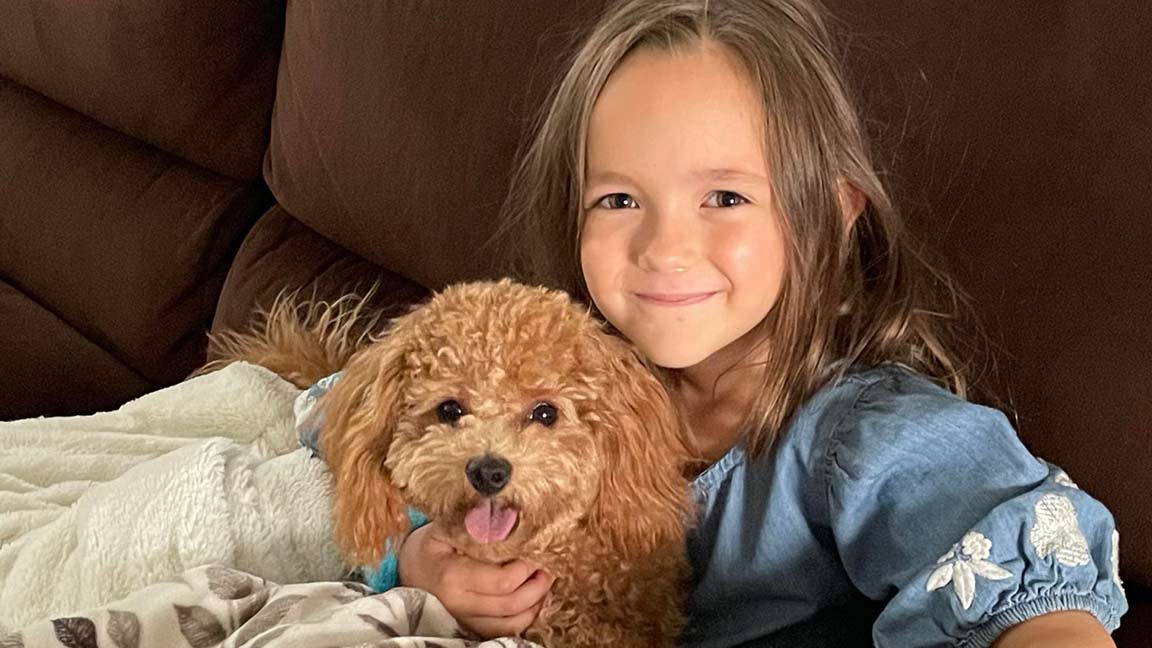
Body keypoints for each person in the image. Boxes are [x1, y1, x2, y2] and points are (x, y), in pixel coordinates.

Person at [395, 1, 1128, 645]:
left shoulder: (863, 438)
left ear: (829, 221)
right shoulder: (557, 380)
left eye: (725, 197)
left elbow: (1032, 598)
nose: (666, 249)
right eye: (618, 200)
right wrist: (422, 559)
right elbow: (378, 461)